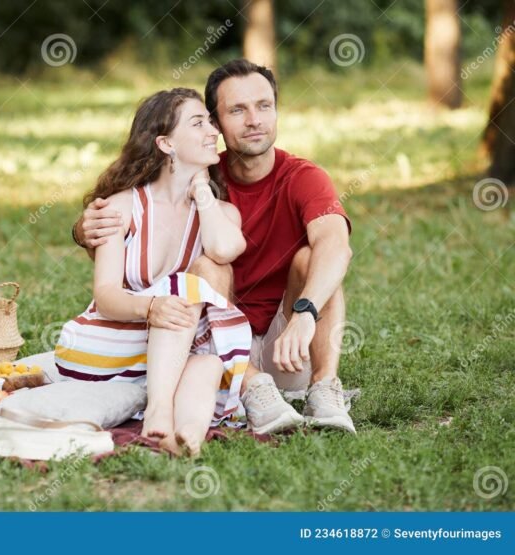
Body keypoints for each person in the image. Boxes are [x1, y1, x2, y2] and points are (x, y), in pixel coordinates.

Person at [74, 60, 356, 434]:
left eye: (264, 106)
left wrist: (304, 315)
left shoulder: (304, 178)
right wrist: (85, 227)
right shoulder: (200, 173)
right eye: (237, 110)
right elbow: (146, 210)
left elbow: (337, 246)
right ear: (216, 124)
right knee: (210, 266)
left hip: (288, 345)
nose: (254, 119)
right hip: (218, 348)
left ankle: (323, 390)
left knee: (316, 260)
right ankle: (252, 387)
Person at [54, 87, 252, 456]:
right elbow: (107, 296)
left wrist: (202, 192)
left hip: (160, 356)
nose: (214, 131)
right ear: (166, 144)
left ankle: (186, 436)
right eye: (199, 123)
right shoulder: (122, 207)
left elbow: (225, 250)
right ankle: (159, 412)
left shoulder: (220, 214)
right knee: (183, 286)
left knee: (209, 362)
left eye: (211, 122)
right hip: (103, 343)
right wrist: (150, 307)